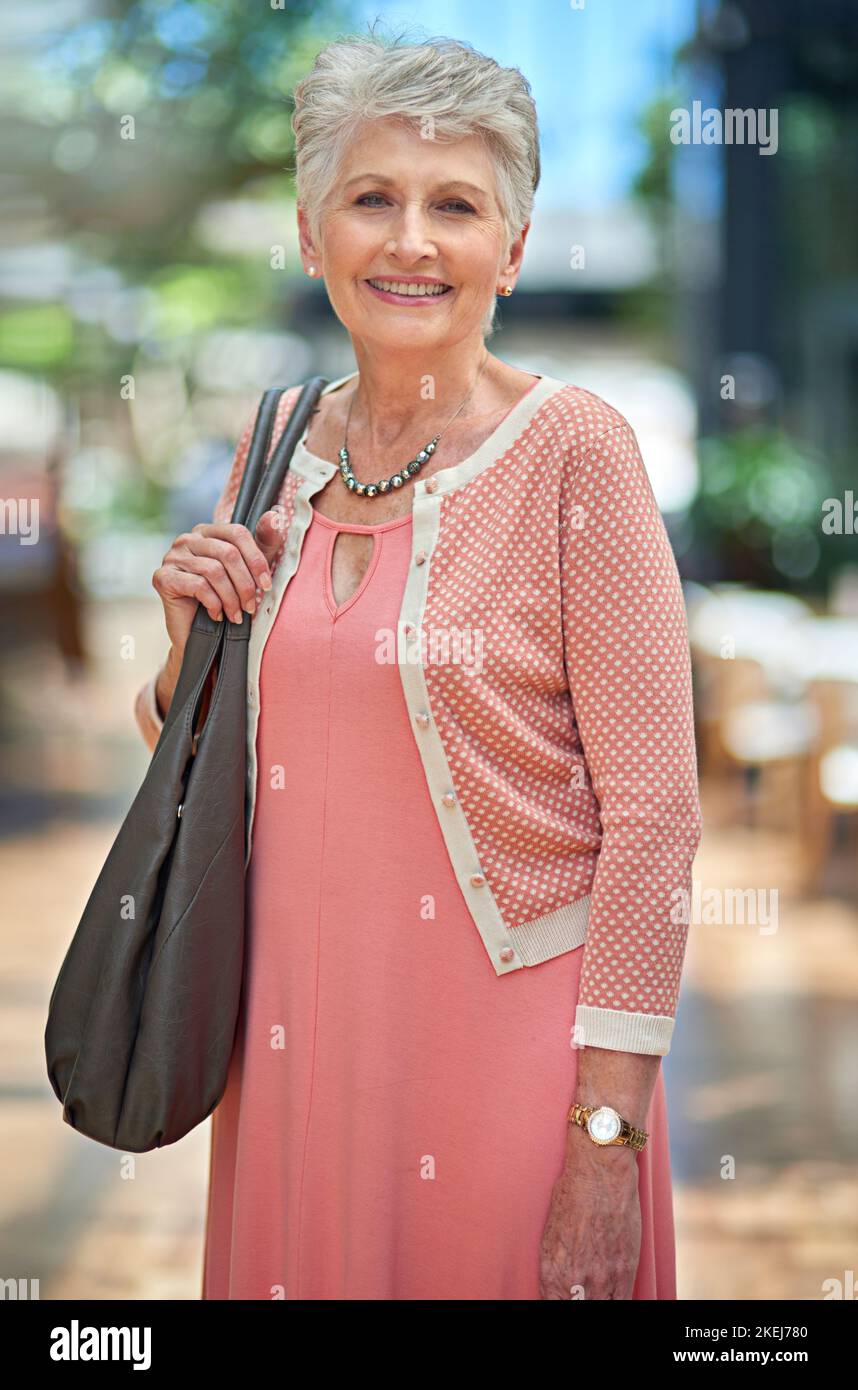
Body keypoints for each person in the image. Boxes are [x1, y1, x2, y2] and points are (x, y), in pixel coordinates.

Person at [134, 31, 703, 1301]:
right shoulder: (272, 445)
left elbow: (658, 820)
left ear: (510, 245)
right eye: (372, 198)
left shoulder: (579, 455)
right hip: (289, 1044)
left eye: (456, 206)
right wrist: (188, 658)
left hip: (512, 1061)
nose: (410, 242)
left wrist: (606, 1142)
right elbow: (203, 756)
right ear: (309, 228)